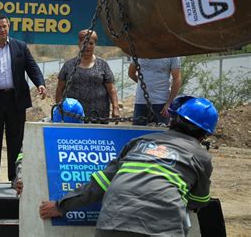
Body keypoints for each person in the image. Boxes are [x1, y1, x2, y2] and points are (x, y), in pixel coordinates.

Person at [39, 95, 218, 236]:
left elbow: (101, 183)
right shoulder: (201, 157)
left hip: (112, 224)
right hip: (162, 229)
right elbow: (198, 201)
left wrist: (60, 206)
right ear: (204, 135)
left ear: (173, 120)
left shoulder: (139, 142)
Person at [0, 13, 46, 190]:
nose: (2, 30)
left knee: (16, 140)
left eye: (5, 26)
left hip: (15, 100)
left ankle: (15, 177)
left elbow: (32, 67)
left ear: (8, 27)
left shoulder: (20, 47)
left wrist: (40, 84)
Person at [56, 29, 119, 122]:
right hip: (73, 116)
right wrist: (60, 108)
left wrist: (115, 108)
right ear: (79, 44)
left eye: (91, 43)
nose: (88, 46)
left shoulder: (103, 64)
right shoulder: (68, 65)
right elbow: (59, 89)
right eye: (84, 43)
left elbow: (111, 89)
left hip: (99, 116)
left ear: (95, 45)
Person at [128, 57, 181, 125]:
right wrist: (143, 85)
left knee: (161, 133)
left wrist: (169, 103)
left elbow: (177, 79)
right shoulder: (139, 51)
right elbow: (131, 73)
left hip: (162, 103)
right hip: (141, 101)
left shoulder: (173, 54)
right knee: (138, 133)